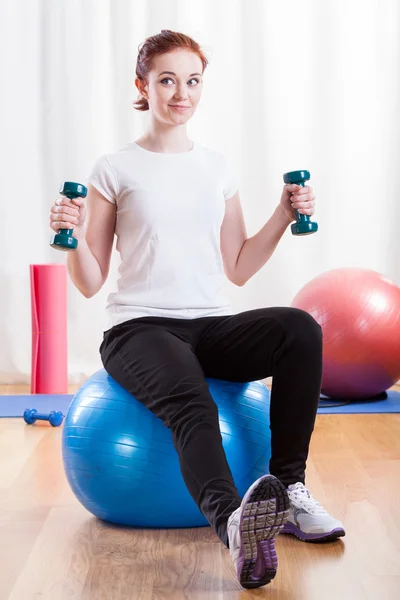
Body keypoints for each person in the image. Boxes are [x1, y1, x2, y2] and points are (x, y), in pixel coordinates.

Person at [49, 29, 345, 590]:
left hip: (208, 322)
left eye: (192, 81)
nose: (181, 93)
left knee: (300, 329)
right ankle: (234, 523)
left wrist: (282, 215)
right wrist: (71, 236)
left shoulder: (216, 167)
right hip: (138, 326)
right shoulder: (115, 168)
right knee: (191, 397)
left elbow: (237, 265)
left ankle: (291, 492)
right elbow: (91, 282)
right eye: (166, 80)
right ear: (143, 86)